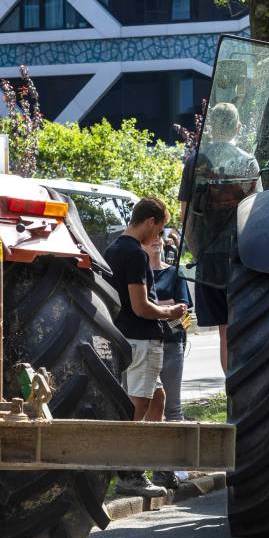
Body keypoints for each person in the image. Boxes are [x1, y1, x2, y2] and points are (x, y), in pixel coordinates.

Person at [103, 197, 188, 498]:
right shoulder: (135, 256)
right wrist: (171, 312)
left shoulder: (112, 250)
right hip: (142, 338)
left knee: (158, 400)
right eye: (160, 229)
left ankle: (155, 464)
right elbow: (141, 306)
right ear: (150, 222)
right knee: (138, 404)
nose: (159, 237)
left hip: (123, 336)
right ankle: (129, 473)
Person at [179, 102, 260, 375]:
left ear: (211, 128)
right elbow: (254, 213)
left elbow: (184, 215)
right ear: (238, 128)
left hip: (209, 261)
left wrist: (198, 250)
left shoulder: (194, 163)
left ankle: (232, 392)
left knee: (225, 333)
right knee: (246, 328)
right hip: (242, 257)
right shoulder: (248, 162)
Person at [143, 234, 192, 489]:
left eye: (159, 239)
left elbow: (185, 316)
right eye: (150, 239)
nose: (156, 242)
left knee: (173, 407)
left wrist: (154, 310)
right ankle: (156, 466)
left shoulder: (174, 274)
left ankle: (176, 466)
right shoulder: (139, 273)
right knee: (148, 406)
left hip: (172, 345)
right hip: (146, 345)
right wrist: (166, 307)